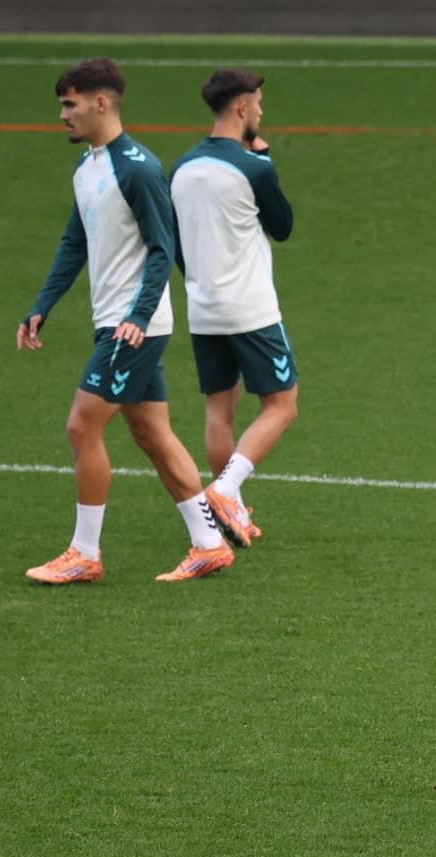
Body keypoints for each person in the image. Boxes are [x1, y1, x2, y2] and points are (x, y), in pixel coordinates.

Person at [17, 58, 233, 584]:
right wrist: (42, 304)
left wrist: (137, 315)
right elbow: (75, 242)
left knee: (81, 425)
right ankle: (208, 544)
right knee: (152, 433)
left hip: (132, 327)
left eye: (69, 104)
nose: (62, 115)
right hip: (112, 320)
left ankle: (84, 554)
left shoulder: (137, 167)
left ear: (101, 102)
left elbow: (164, 247)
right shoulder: (88, 168)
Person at [168, 68, 298, 547]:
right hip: (251, 309)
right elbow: (282, 226)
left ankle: (234, 513)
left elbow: (175, 243)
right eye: (259, 104)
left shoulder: (180, 168)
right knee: (282, 406)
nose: (262, 112)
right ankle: (224, 490)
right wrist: (267, 159)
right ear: (241, 107)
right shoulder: (253, 167)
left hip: (203, 308)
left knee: (219, 409)